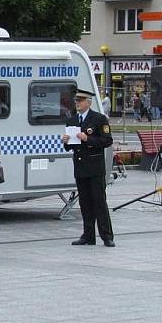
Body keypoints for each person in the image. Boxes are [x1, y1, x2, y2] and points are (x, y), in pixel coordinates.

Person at [62, 88, 115, 247]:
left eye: (80, 101)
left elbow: (107, 141)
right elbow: (70, 147)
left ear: (88, 102)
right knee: (84, 203)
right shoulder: (72, 121)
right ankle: (88, 235)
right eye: (76, 101)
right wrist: (66, 142)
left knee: (99, 202)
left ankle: (107, 235)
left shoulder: (98, 119)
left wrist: (87, 138)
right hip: (80, 166)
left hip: (95, 167)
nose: (77, 104)